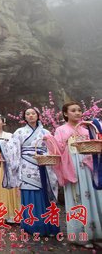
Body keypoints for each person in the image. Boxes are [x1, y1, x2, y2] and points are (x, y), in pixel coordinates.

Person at [0, 108, 59, 236]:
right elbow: (11, 148)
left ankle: (47, 224)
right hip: (26, 165)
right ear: (24, 117)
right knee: (29, 191)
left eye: (33, 113)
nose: (31, 116)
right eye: (27, 114)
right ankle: (31, 225)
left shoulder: (45, 132)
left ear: (38, 116)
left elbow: (53, 148)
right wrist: (1, 144)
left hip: (42, 164)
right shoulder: (19, 132)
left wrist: (46, 155)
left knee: (44, 193)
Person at [51, 102, 102, 248]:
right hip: (71, 167)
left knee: (93, 197)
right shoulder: (60, 130)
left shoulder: (87, 129)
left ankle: (96, 234)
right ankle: (81, 235)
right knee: (77, 198)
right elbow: (57, 150)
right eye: (73, 111)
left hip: (88, 166)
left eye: (80, 110)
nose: (78, 113)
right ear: (66, 114)